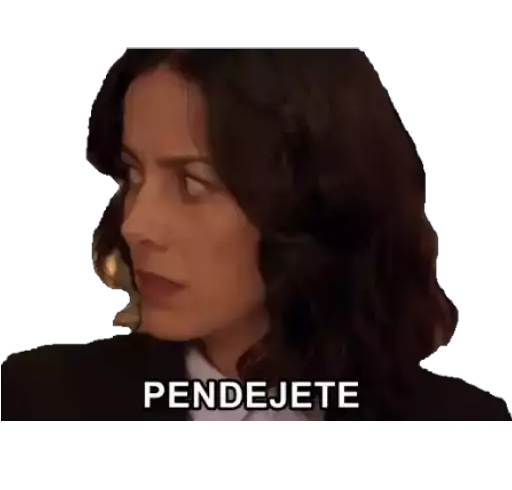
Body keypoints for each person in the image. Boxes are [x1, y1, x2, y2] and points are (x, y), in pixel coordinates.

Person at [0, 48, 509, 426]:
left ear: (313, 201)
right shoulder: (39, 400)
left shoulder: (462, 420)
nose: (135, 225)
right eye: (133, 175)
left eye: (192, 183)